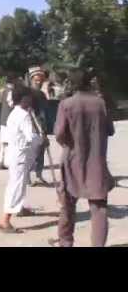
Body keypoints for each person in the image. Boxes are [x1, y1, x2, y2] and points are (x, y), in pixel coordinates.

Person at [52, 68, 115, 247]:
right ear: (89, 82)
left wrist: (70, 145)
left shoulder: (66, 104)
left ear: (70, 83)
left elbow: (59, 134)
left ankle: (65, 242)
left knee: (67, 206)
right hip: (96, 162)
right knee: (99, 208)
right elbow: (110, 130)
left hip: (72, 162)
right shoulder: (100, 103)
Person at [0, 86, 43, 233]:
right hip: (21, 154)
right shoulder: (23, 115)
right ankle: (5, 221)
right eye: (28, 97)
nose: (31, 99)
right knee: (16, 185)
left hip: (15, 153)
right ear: (23, 98)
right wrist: (42, 140)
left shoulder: (15, 113)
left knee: (20, 183)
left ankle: (21, 208)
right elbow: (31, 137)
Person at [28, 66, 49, 186]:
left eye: (41, 80)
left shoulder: (42, 94)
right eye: (36, 80)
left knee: (41, 151)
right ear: (31, 79)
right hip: (31, 128)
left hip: (42, 126)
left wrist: (45, 129)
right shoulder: (28, 94)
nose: (39, 82)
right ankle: (28, 177)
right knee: (31, 154)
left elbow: (44, 112)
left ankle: (38, 175)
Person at [0, 71, 16, 170]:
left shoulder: (4, 90)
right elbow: (11, 104)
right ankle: (7, 162)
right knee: (9, 142)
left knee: (4, 142)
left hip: (3, 119)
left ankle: (1, 160)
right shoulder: (10, 91)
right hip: (9, 120)